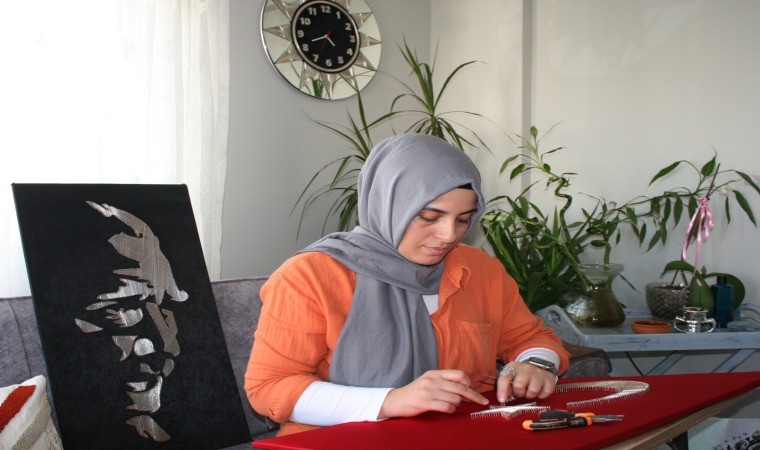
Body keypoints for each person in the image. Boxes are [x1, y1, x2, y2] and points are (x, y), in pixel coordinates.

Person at [244, 133, 570, 436]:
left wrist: (537, 364)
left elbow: (532, 338)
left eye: (463, 219)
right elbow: (270, 387)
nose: (449, 235)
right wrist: (391, 401)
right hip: (335, 441)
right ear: (389, 204)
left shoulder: (480, 270)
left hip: (461, 437)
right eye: (429, 217)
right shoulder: (309, 277)